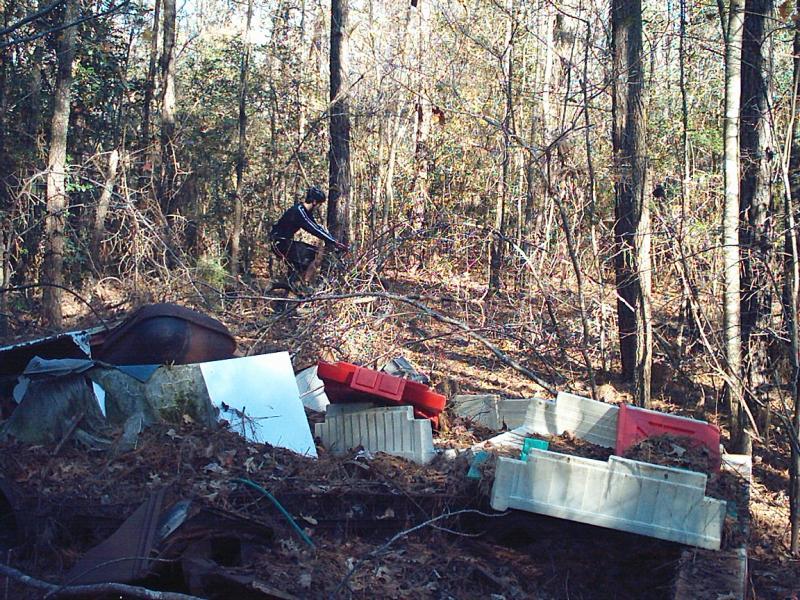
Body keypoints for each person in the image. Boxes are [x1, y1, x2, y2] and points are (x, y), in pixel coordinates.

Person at [269, 186, 347, 286]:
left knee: (298, 268)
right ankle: (303, 286)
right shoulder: (299, 211)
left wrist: (331, 240)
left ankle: (286, 288)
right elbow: (313, 229)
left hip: (283, 243)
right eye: (319, 204)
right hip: (280, 244)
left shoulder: (305, 212)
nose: (319, 207)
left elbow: (317, 227)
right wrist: (334, 242)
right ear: (314, 202)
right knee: (313, 253)